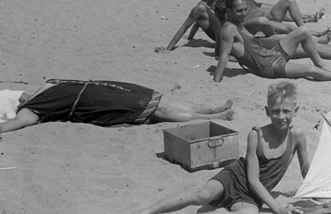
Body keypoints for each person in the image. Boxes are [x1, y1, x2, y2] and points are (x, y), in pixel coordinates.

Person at [131, 83, 309, 214]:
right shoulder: (256, 135)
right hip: (235, 177)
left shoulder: (298, 136)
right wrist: (277, 208)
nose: (280, 116)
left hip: (253, 196)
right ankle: (146, 211)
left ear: (296, 111)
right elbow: (253, 179)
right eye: (275, 111)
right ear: (266, 111)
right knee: (202, 194)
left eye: (286, 111)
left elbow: (306, 170)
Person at [0, 79, 234, 143]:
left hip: (110, 90)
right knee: (159, 110)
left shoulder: (45, 88)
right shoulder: (32, 109)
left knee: (162, 100)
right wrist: (0, 127)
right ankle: (213, 117)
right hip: (104, 103)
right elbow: (22, 121)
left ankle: (211, 110)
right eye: (19, 98)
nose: (24, 95)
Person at [214, 0, 331, 82]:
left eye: (245, 10)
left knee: (303, 31)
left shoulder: (239, 25)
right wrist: (216, 81)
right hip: (268, 67)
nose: (243, 14)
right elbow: (223, 57)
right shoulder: (228, 29)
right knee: (309, 71)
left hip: (273, 54)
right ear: (229, 11)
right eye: (239, 11)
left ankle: (322, 64)